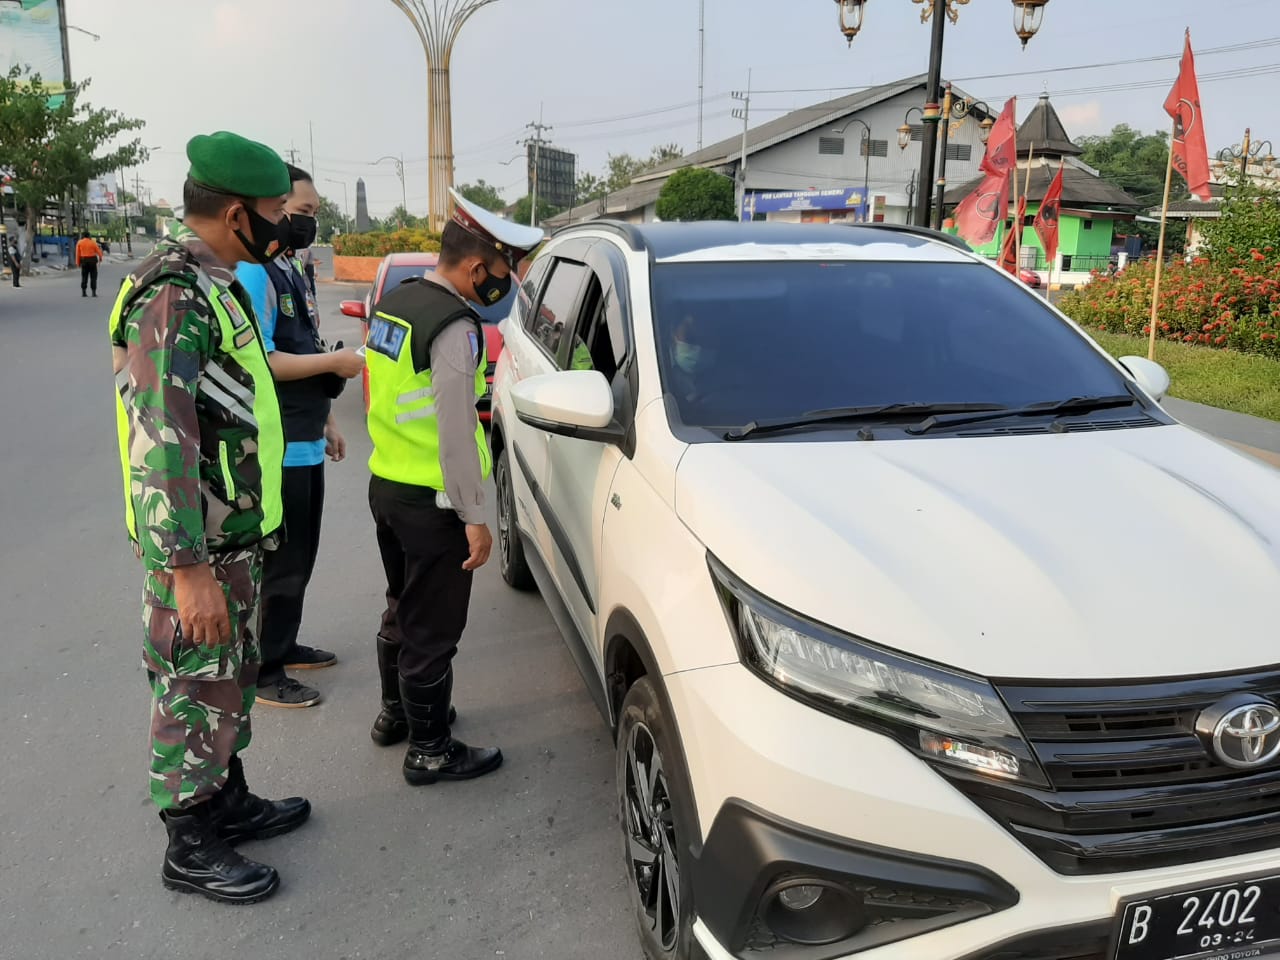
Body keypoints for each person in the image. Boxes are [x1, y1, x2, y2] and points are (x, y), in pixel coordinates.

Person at [108, 130, 310, 904]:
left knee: (228, 676)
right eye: (275, 213)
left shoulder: (214, 280)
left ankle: (226, 798)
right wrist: (186, 569)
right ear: (234, 212)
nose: (286, 226)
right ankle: (188, 838)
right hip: (198, 545)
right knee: (194, 681)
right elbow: (161, 437)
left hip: (230, 533)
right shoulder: (173, 293)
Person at [365, 188, 542, 785]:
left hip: (387, 484)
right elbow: (454, 430)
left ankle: (398, 714)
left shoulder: (396, 301)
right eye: (501, 271)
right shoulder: (453, 326)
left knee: (402, 605)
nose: (504, 284)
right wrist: (474, 514)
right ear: (474, 267)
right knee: (434, 627)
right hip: (433, 500)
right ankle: (432, 748)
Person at [235, 164, 365, 708]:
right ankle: (266, 671)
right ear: (272, 211)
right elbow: (261, 359)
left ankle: (285, 644)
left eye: (314, 214)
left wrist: (330, 419)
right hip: (278, 442)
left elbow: (305, 346)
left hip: (307, 435)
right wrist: (336, 360)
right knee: (282, 560)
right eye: (301, 213)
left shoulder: (293, 268)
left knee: (302, 553)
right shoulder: (257, 275)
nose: (310, 224)